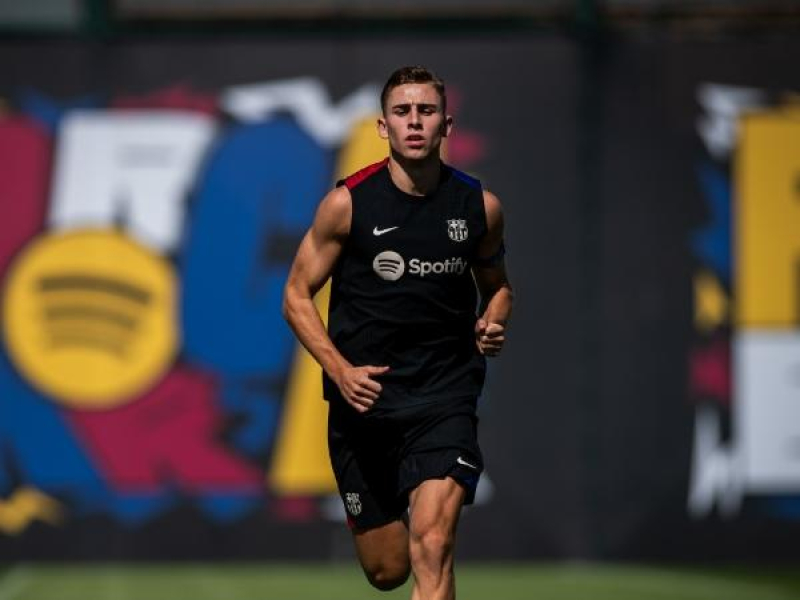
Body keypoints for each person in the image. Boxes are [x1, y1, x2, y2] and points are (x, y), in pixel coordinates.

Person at [283, 65, 512, 599]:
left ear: (446, 124)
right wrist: (339, 371)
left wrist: (495, 320)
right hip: (365, 405)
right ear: (383, 127)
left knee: (433, 543)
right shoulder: (347, 205)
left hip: (443, 396)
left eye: (426, 112)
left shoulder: (479, 207)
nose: (415, 123)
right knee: (388, 570)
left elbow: (499, 287)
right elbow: (295, 296)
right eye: (403, 112)